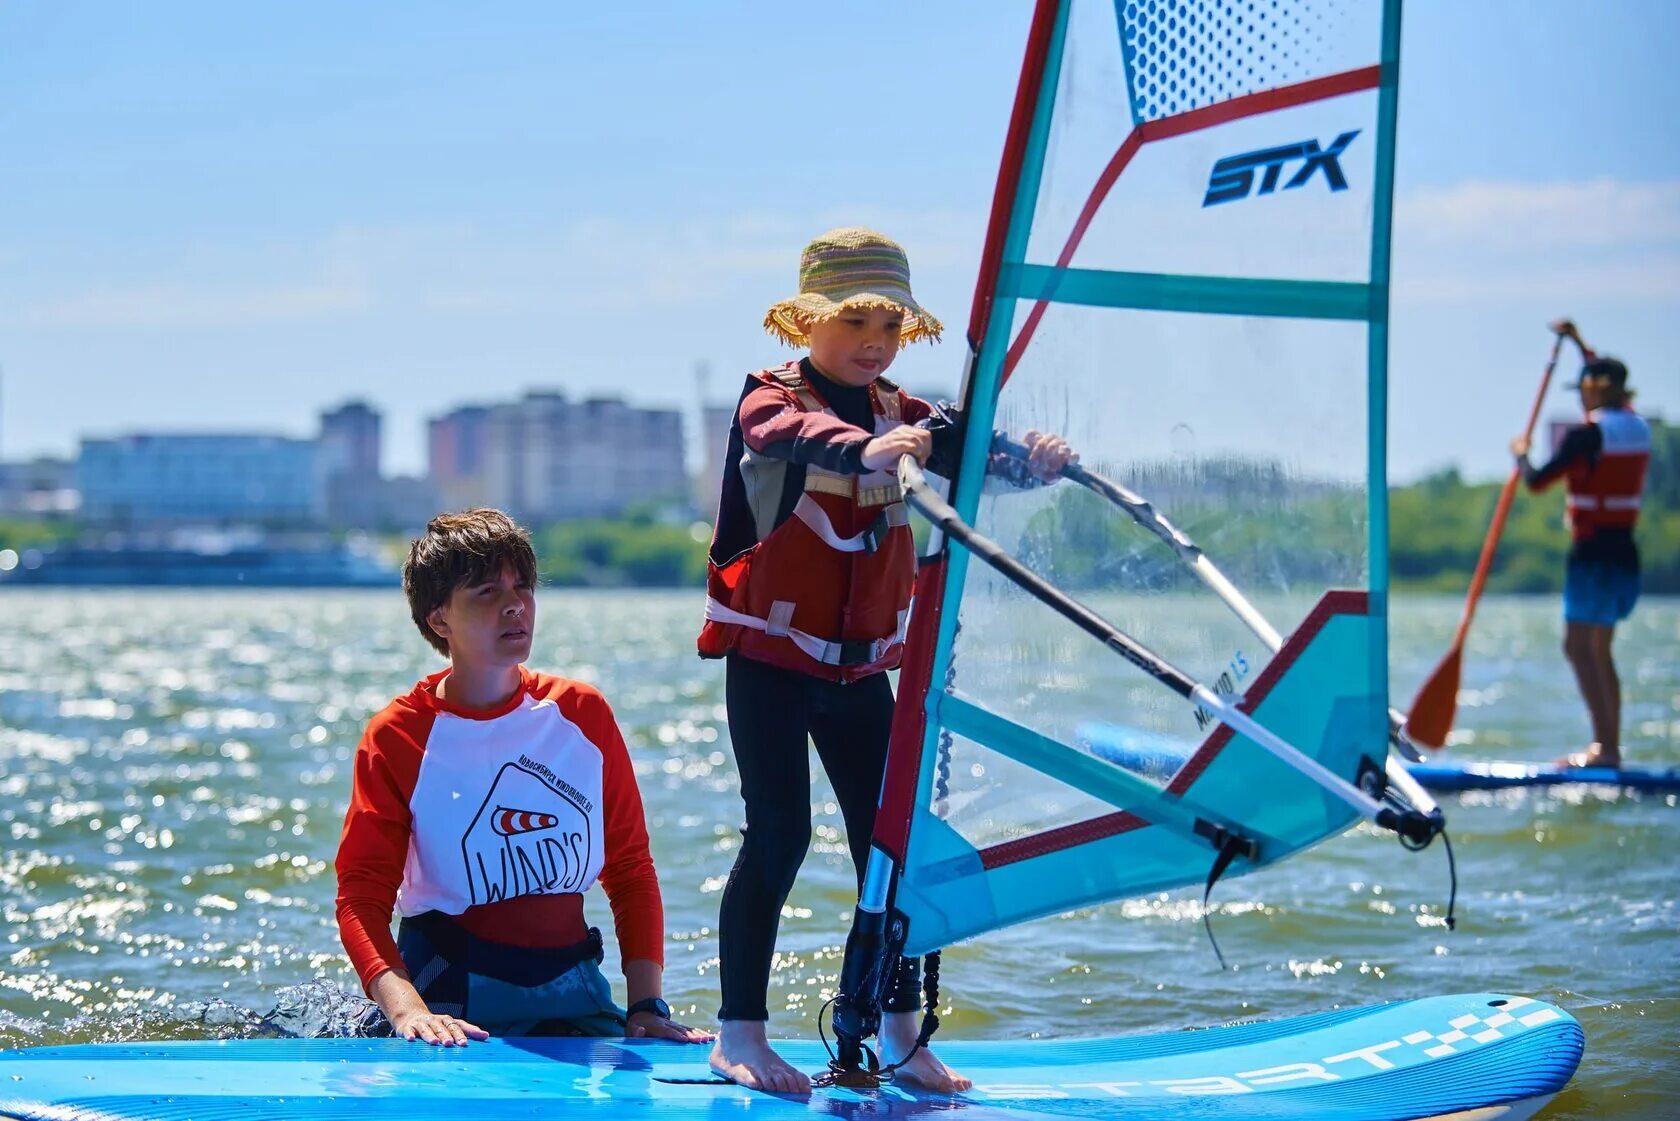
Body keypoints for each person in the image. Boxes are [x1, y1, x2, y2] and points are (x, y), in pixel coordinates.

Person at [698, 227, 1073, 1093]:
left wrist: (1035, 461)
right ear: (807, 321)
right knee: (781, 835)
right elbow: (789, 434)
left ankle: (900, 1034)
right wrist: (864, 449)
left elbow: (977, 454)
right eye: (855, 320)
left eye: (890, 325)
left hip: (863, 675)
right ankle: (739, 1034)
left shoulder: (904, 415)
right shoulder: (768, 399)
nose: (874, 340)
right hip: (773, 665)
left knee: (893, 851)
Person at [335, 508, 712, 1047]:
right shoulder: (397, 736)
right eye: (487, 591)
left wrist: (647, 1006)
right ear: (439, 619)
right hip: (447, 999)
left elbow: (629, 868)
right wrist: (406, 1010)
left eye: (524, 586)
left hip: (574, 989)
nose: (516, 605)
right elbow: (360, 897)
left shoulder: (583, 714)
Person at [1510, 319, 1649, 769]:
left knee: (1577, 647)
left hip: (1590, 556)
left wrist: (1520, 455)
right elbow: (1606, 376)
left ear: (1598, 390)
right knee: (1599, 649)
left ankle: (1605, 750)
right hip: (1625, 554)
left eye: (1584, 388)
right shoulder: (1637, 426)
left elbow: (1536, 482)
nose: (1579, 395)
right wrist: (1577, 343)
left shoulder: (1585, 436)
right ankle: (1610, 747)